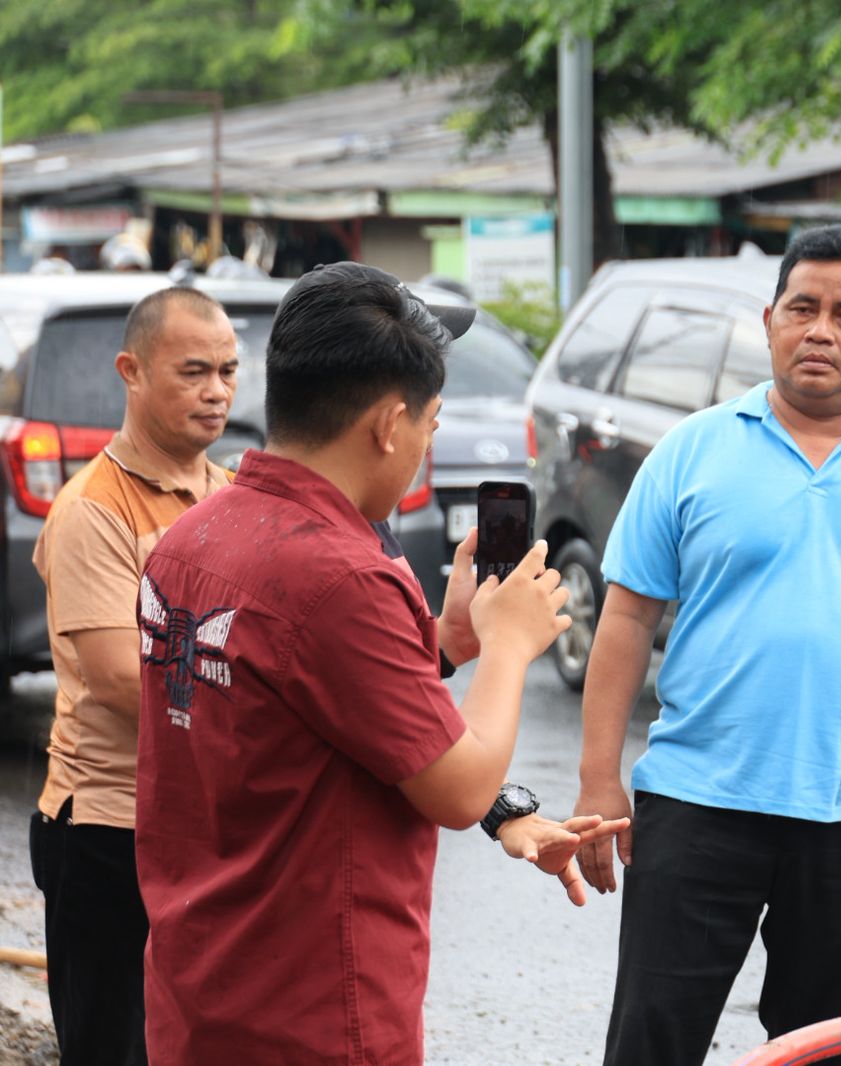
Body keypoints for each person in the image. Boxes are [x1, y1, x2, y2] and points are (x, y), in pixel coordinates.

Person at [134, 263, 624, 1064]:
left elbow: (304, 702)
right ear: (391, 424)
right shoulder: (343, 574)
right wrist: (506, 647)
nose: (429, 442)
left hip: (202, 990)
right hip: (317, 1013)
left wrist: (447, 643)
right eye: (431, 424)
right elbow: (460, 789)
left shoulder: (197, 535)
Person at [575, 225, 841, 1066]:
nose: (820, 330)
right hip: (699, 800)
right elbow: (625, 618)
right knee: (652, 1042)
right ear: (768, 318)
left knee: (819, 1053)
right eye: (802, 308)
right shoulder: (692, 451)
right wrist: (599, 778)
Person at [28, 287, 237, 1065]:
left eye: (227, 370)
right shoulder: (92, 509)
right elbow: (126, 683)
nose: (216, 391)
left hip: (203, 824)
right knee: (112, 1049)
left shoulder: (230, 497)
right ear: (132, 371)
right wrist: (267, 733)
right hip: (108, 830)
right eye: (192, 371)